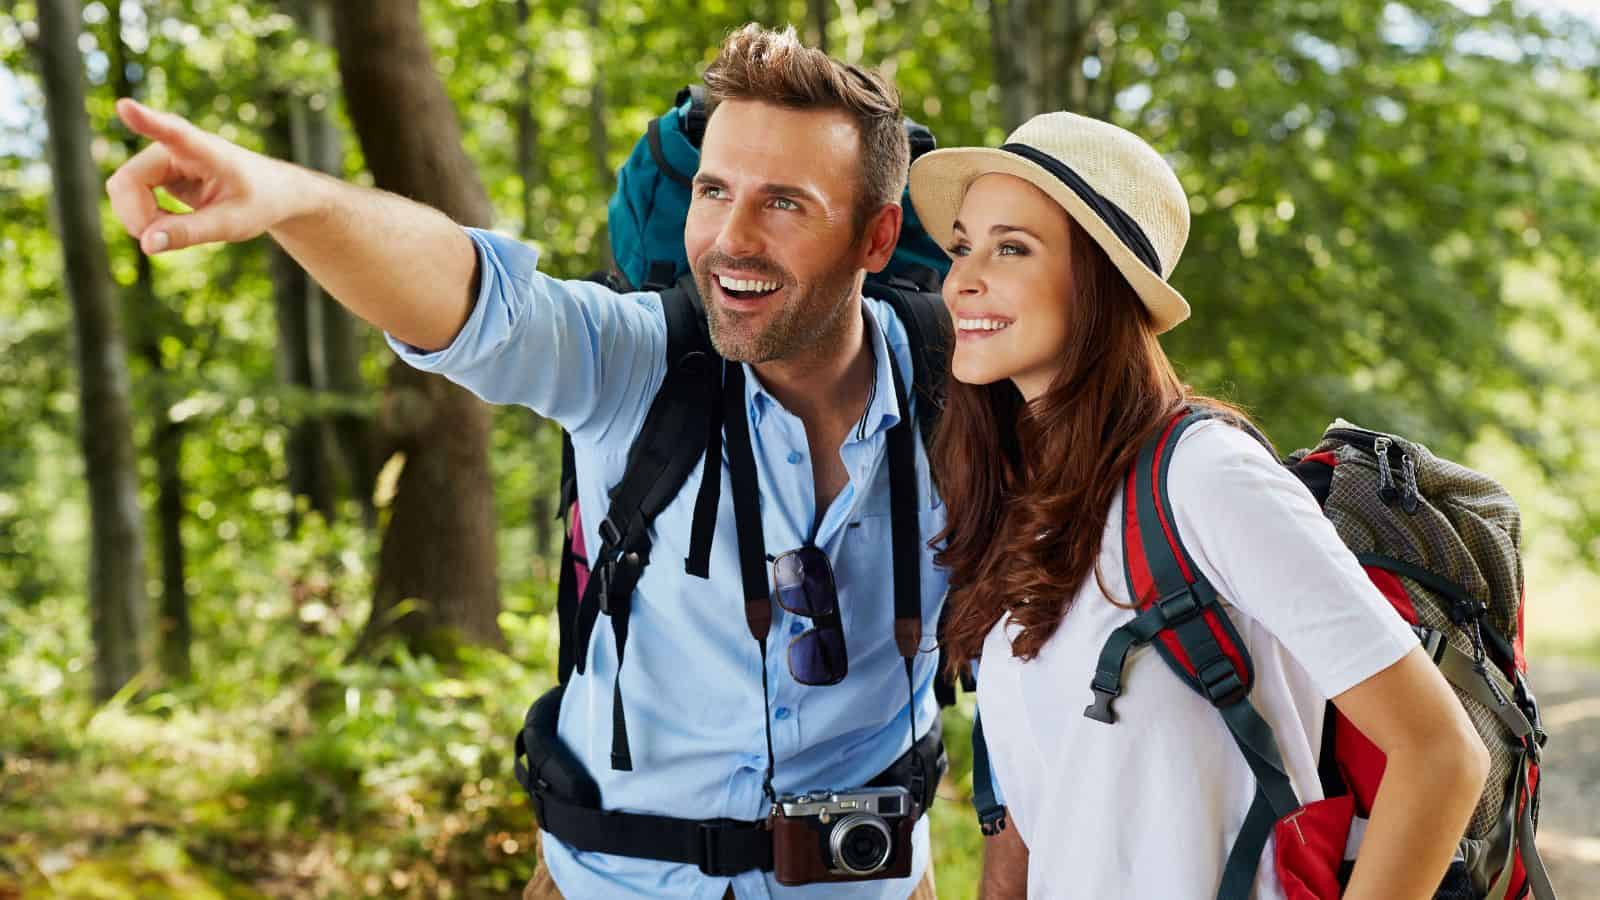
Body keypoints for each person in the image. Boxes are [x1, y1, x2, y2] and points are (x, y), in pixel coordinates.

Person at [105, 23, 944, 900]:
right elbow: (480, 298)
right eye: (713, 189)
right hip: (611, 884)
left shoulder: (961, 393)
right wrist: (295, 202)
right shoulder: (638, 363)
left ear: (877, 239)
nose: (729, 239)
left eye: (784, 203)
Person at [906, 112, 1491, 899]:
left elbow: (1442, 754)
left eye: (1011, 247)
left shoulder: (1208, 476)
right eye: (962, 246)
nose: (963, 279)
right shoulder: (1029, 497)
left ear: (1102, 280)